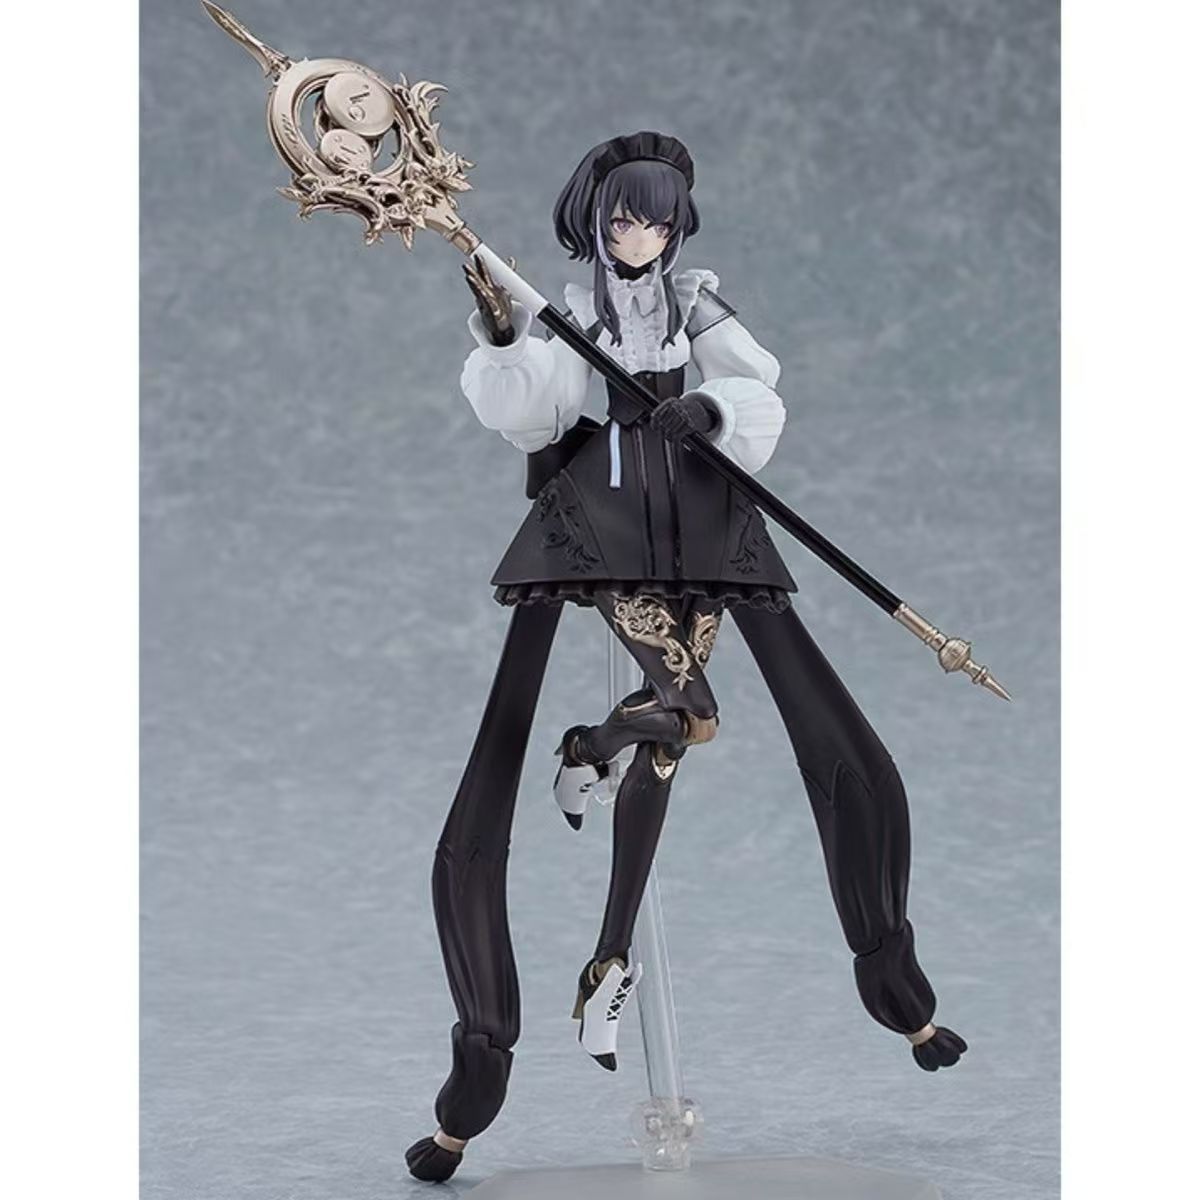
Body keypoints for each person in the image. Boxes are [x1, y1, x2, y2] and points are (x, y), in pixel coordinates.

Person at [406, 131, 966, 1185]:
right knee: (686, 710)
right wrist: (505, 330)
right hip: (607, 518)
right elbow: (536, 407)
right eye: (623, 218)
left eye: (655, 221)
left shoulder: (696, 300)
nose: (638, 236)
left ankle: (614, 916)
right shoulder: (570, 307)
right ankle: (497, 1055)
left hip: (704, 519)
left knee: (687, 737)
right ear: (595, 218)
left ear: (677, 227)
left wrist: (707, 408)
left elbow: (760, 385)